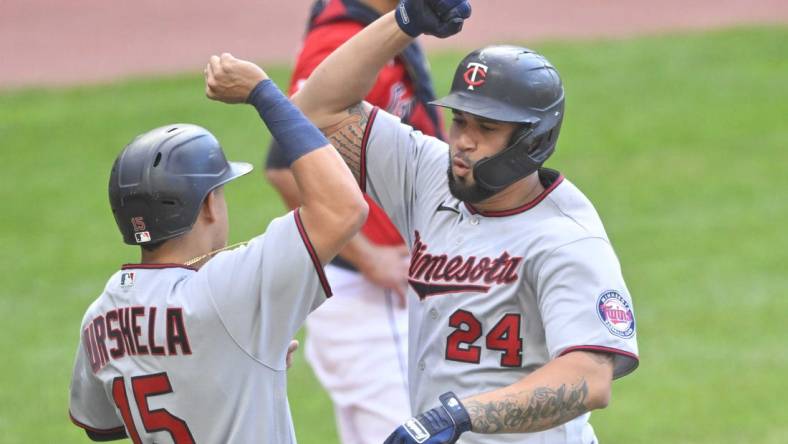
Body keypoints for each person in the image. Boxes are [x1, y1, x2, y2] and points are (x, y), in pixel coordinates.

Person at [211, 0, 641, 443]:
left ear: (532, 139)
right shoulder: (428, 176)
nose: (463, 142)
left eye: (486, 129)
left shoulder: (566, 238)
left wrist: (458, 416)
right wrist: (404, 22)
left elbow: (590, 377)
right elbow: (316, 109)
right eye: (460, 121)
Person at [67, 54, 367, 443]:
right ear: (207, 205)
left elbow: (102, 427)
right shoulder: (228, 288)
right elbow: (343, 208)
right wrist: (263, 93)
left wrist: (233, 362)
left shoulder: (101, 315)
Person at [264, 1, 444, 441]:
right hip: (368, 299)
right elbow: (286, 164)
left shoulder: (380, 24)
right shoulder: (339, 40)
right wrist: (368, 257)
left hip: (384, 298)